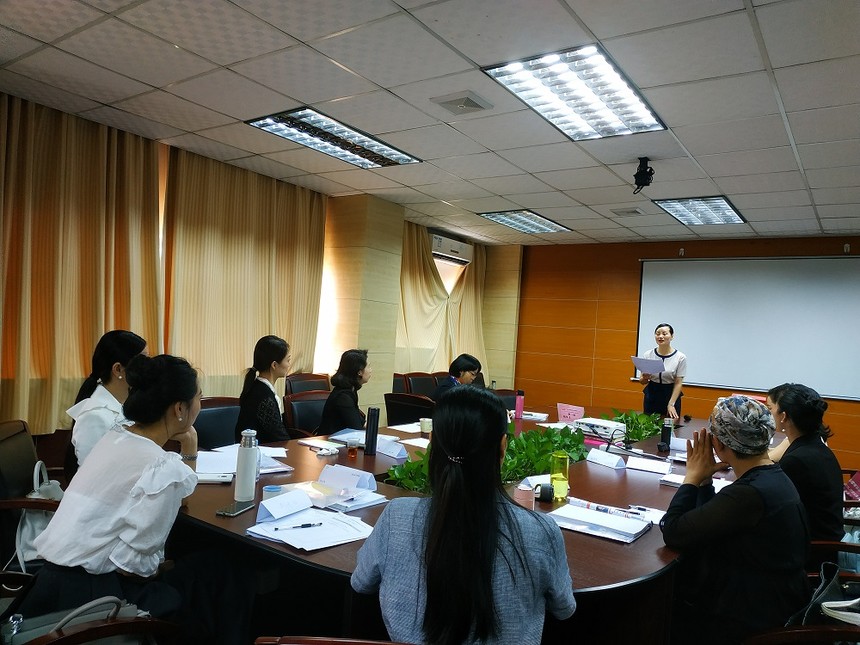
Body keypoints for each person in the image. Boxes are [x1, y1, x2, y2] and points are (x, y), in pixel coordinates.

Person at [351, 386, 576, 644]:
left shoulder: (396, 517)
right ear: (503, 447)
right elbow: (564, 608)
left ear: (432, 441)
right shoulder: (541, 531)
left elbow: (361, 583)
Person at [661, 395, 809, 644]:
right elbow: (710, 521)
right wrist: (705, 481)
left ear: (719, 443)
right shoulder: (772, 477)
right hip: (777, 600)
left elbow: (674, 531)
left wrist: (692, 478)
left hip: (749, 616)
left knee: (666, 608)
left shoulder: (748, 494)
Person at [767, 383, 843, 541]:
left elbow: (775, 510)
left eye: (770, 409)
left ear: (784, 416)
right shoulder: (816, 446)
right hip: (826, 538)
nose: (768, 414)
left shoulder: (796, 460)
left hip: (813, 547)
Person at [67, 330, 147, 465]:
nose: (148, 368)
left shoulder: (127, 403)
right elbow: (92, 472)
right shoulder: (94, 417)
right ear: (118, 369)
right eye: (142, 361)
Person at [235, 335, 291, 442]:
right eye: (288, 360)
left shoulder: (258, 387)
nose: (289, 365)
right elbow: (279, 437)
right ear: (274, 365)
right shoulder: (264, 397)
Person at [638, 323, 686, 420]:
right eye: (658, 333)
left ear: (672, 336)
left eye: (664, 334)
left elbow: (678, 383)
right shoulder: (648, 354)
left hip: (670, 394)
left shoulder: (680, 357)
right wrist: (645, 378)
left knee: (669, 425)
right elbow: (642, 381)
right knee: (649, 425)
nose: (660, 336)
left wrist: (671, 404)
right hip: (652, 394)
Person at [317, 349, 371, 435]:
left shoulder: (350, 390)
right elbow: (356, 428)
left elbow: (360, 422)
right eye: (368, 366)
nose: (370, 370)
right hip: (331, 440)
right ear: (359, 372)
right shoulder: (343, 397)